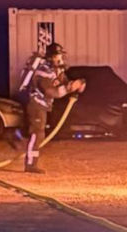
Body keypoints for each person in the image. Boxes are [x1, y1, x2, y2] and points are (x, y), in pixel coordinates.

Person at [19, 42, 84, 174]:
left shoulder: (57, 70)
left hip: (44, 105)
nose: (59, 59)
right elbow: (50, 92)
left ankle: (32, 162)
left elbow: (65, 82)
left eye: (60, 55)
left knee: (40, 134)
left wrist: (79, 84)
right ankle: (30, 164)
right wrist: (69, 88)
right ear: (50, 57)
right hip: (36, 104)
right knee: (37, 133)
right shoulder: (43, 71)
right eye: (56, 56)